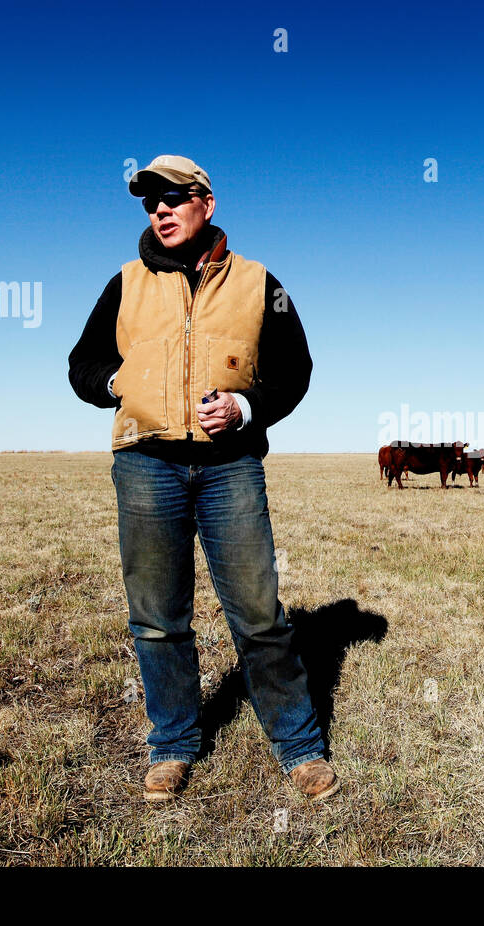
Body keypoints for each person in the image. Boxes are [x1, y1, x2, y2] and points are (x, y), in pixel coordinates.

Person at [68, 154, 338, 803]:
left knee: (259, 613)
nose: (159, 208)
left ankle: (299, 747)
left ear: (205, 203)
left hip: (230, 468)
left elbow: (294, 369)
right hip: (144, 464)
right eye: (148, 200)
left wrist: (247, 408)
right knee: (158, 617)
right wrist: (118, 383)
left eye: (171, 196)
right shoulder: (125, 283)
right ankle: (173, 744)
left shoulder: (258, 282)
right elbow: (83, 365)